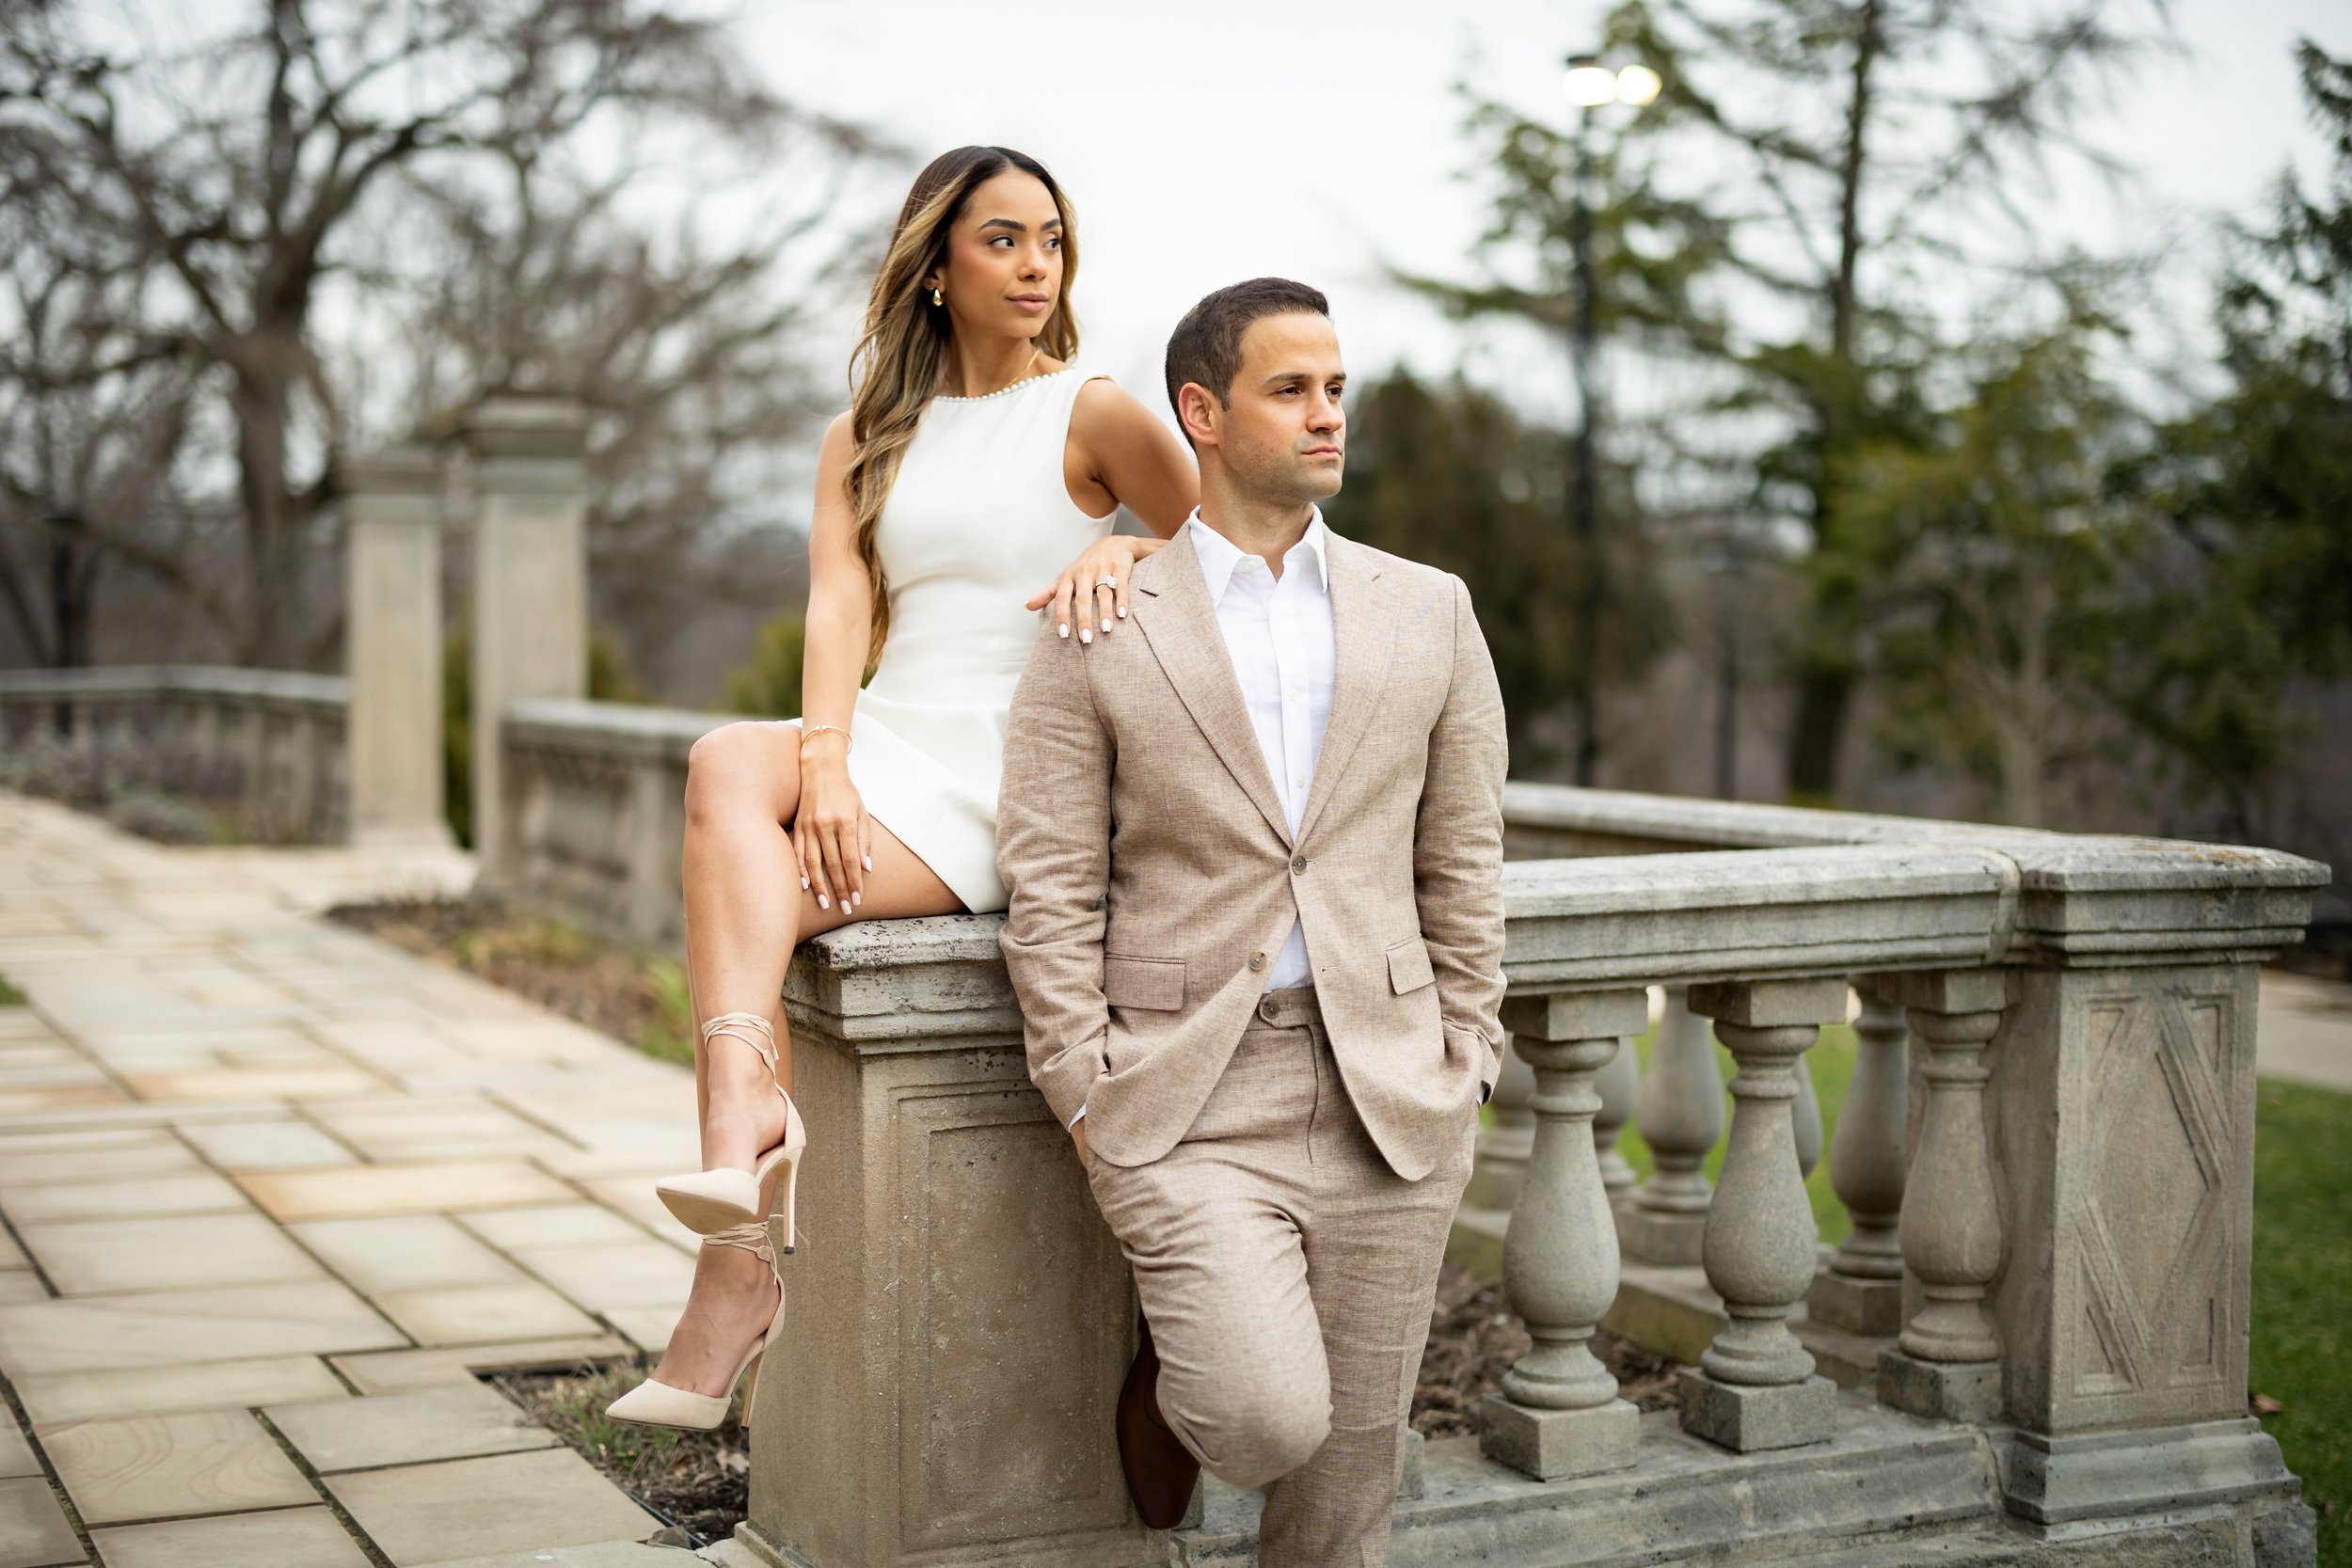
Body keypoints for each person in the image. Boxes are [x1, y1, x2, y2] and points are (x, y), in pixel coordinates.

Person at [607, 146, 1197, 1430]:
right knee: (724, 764)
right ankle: (741, 1133)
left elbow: (1234, 547)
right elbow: (839, 604)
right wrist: (824, 766)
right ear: (935, 266)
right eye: (1002, 240)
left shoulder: (1090, 410)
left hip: (1015, 768)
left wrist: (1131, 558)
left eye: (1049, 238)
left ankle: (734, 1242)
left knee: (733, 827)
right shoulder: (866, 434)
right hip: (890, 734)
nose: (1036, 264)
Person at [994, 277, 1508, 1563]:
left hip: (1393, 1089)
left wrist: (1470, 1053)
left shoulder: (1429, 608)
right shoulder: (1100, 621)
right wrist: (1082, 1087)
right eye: (1292, 390)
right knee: (1264, 1418)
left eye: (1337, 389)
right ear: (1202, 413)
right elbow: (1050, 881)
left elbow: (1465, 852)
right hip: (1186, 1095)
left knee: (1346, 1493)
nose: (1328, 415)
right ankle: (1182, 1353)